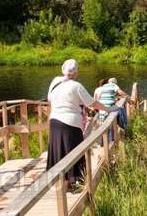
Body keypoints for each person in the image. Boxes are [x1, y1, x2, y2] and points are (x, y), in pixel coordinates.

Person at [47, 59, 116, 191]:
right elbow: (92, 103)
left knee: (59, 151)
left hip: (54, 121)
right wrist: (108, 109)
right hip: (70, 123)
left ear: (63, 69)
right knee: (73, 152)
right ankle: (74, 184)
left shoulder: (55, 81)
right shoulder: (76, 86)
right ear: (76, 72)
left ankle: (59, 184)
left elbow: (50, 98)